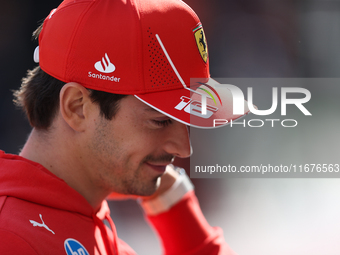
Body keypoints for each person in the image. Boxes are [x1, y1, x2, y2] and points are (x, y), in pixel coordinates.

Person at [0, 0, 250, 254]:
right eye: (160, 121)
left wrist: (174, 203)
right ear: (77, 107)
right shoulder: (12, 239)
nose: (183, 149)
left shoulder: (99, 235)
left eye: (186, 121)